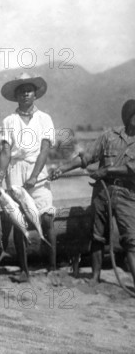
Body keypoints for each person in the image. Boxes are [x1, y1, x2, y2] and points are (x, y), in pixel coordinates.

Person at [50, 99, 135, 286]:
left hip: (128, 194)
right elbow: (86, 158)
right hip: (102, 192)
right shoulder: (109, 136)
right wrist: (62, 169)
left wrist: (107, 171)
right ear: (129, 117)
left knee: (131, 239)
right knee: (97, 236)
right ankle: (95, 278)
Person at [0, 73, 57, 282]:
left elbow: (45, 149)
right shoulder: (9, 121)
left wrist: (35, 175)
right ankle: (24, 270)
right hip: (15, 172)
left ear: (35, 94)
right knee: (18, 219)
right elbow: (5, 152)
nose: (25, 93)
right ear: (16, 95)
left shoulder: (45, 118)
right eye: (21, 90)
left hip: (37, 173)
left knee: (46, 217)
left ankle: (53, 267)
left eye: (28, 89)